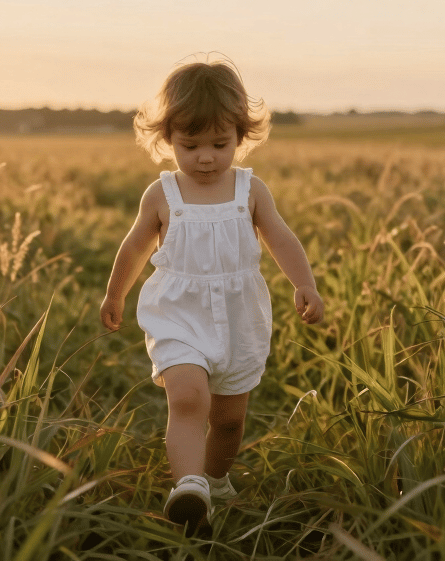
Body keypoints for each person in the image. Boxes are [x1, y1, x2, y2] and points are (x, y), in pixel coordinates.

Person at [99, 59, 324, 535]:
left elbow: (280, 239)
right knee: (187, 399)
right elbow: (136, 245)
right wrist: (115, 293)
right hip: (179, 315)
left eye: (219, 145)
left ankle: (216, 481)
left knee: (228, 421)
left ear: (241, 136)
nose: (205, 157)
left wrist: (304, 283)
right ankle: (189, 487)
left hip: (240, 318)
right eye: (191, 145)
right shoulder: (162, 195)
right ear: (167, 139)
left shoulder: (250, 190)